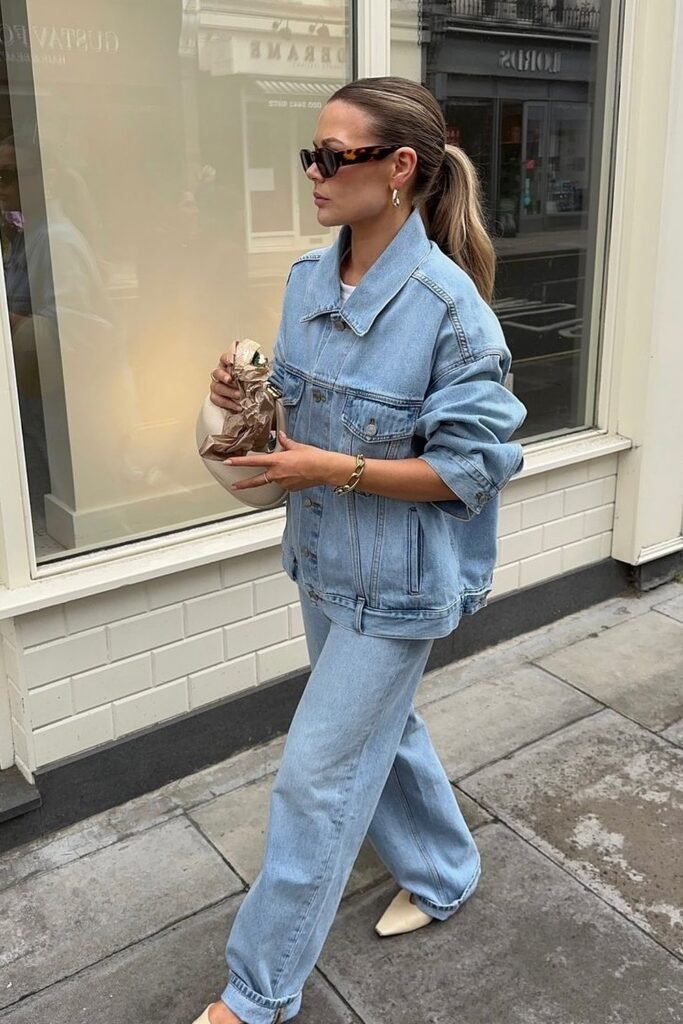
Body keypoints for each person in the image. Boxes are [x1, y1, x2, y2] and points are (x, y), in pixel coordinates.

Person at [196, 76, 527, 1024]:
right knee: (386, 731)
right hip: (321, 560)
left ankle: (256, 993)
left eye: (334, 156)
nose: (314, 171)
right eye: (312, 152)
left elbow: (470, 471)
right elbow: (300, 405)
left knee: (316, 777)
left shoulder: (450, 310)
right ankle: (443, 870)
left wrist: (331, 469)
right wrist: (246, 387)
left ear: (399, 169)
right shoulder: (307, 279)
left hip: (402, 583)